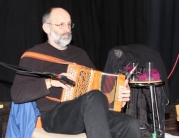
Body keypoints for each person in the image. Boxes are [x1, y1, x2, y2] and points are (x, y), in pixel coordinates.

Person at [11, 7, 141, 138]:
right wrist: (51, 81)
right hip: (54, 115)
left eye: (69, 24)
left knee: (130, 124)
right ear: (46, 28)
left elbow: (97, 88)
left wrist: (116, 98)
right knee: (94, 97)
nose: (67, 29)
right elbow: (17, 94)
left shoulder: (80, 54)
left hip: (85, 111)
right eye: (61, 25)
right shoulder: (33, 56)